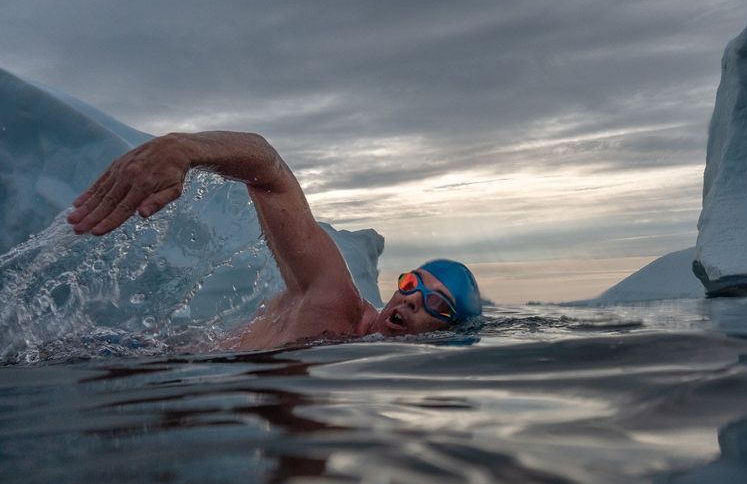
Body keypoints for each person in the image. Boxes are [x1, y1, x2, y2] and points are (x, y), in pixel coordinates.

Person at [67, 131, 482, 349]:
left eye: (436, 303)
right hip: (132, 357)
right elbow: (270, 171)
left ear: (450, 330)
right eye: (412, 285)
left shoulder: (355, 352)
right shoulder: (334, 301)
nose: (411, 300)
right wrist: (183, 148)